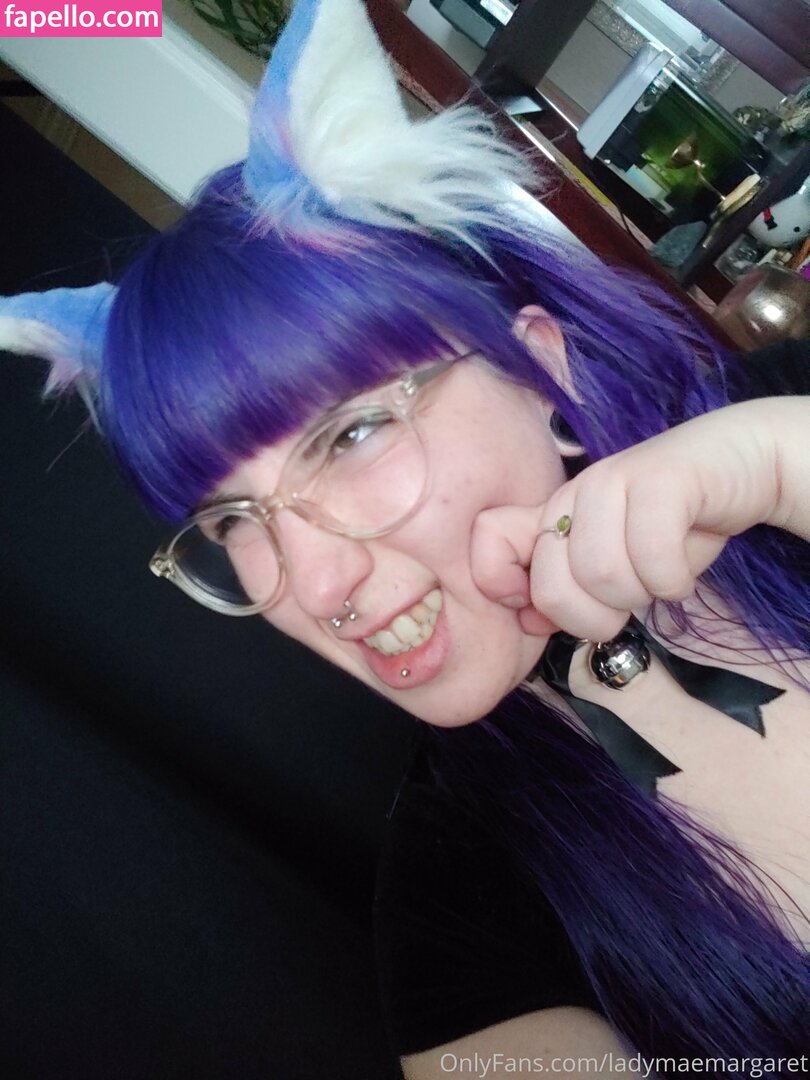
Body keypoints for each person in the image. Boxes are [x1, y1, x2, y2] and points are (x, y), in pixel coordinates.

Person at [1, 0, 808, 1074]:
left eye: (352, 434)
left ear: (541, 370)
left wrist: (784, 466)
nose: (314, 583)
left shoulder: (784, 429)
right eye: (231, 519)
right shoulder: (455, 903)